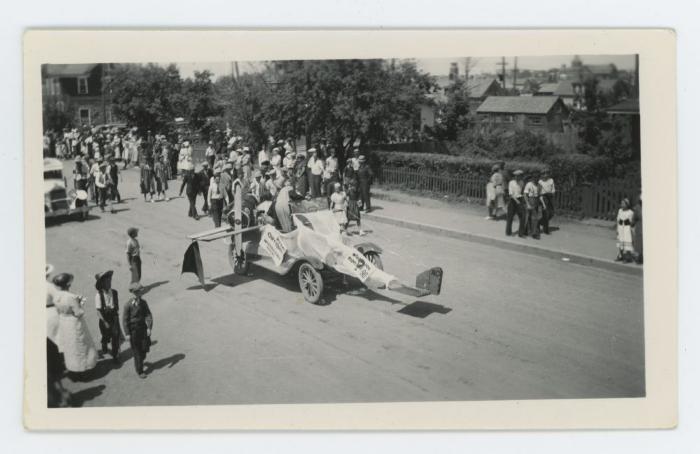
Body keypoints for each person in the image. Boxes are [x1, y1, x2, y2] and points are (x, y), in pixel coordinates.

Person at [52, 273, 98, 375]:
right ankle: (83, 368)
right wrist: (81, 303)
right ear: (68, 285)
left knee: (70, 346)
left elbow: (58, 310)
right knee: (81, 345)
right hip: (74, 323)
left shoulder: (56, 296)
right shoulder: (71, 297)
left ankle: (72, 367)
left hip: (64, 322)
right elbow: (78, 313)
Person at [122, 283, 153, 379]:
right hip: (133, 331)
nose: (142, 293)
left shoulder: (143, 303)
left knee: (144, 349)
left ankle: (141, 361)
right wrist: (127, 333)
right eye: (140, 291)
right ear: (134, 292)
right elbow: (125, 320)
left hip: (143, 329)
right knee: (137, 352)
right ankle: (140, 370)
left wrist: (149, 327)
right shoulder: (128, 305)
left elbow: (148, 315)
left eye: (141, 291)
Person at [94, 270, 122, 363]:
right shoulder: (99, 295)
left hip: (113, 318)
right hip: (104, 319)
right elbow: (98, 311)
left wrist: (113, 308)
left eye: (110, 281)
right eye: (107, 282)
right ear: (102, 283)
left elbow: (117, 306)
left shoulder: (114, 292)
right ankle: (104, 343)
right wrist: (105, 322)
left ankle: (115, 356)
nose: (109, 283)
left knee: (115, 336)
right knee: (106, 335)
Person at [505, 169, 526, 238]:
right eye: (516, 176)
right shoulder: (511, 183)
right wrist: (517, 201)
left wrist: (522, 200)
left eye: (519, 176)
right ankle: (508, 232)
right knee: (510, 217)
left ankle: (521, 233)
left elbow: (522, 192)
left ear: (521, 176)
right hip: (513, 201)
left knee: (523, 217)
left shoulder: (522, 182)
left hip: (519, 200)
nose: (517, 177)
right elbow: (511, 194)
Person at [616, 198, 635, 263]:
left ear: (627, 205)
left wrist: (632, 231)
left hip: (627, 228)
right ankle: (620, 255)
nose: (622, 205)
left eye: (623, 204)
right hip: (621, 227)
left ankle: (628, 258)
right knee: (621, 241)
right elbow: (618, 220)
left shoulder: (631, 212)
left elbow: (632, 222)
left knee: (627, 242)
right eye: (621, 203)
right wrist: (617, 229)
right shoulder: (620, 211)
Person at [523, 175, 541, 239]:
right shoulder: (529, 184)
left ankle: (532, 233)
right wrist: (527, 204)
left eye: (537, 178)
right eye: (535, 178)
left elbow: (539, 195)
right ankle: (528, 232)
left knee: (534, 217)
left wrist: (540, 204)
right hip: (530, 200)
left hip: (536, 201)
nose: (536, 179)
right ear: (533, 178)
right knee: (528, 217)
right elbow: (525, 194)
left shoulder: (539, 185)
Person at [538, 169, 555, 234]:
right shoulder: (540, 182)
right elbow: (539, 193)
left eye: (546, 173)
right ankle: (546, 230)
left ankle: (539, 222)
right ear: (541, 175)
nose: (545, 175)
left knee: (552, 213)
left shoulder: (551, 180)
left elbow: (553, 189)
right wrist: (542, 201)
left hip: (550, 197)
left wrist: (552, 194)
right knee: (546, 214)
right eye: (543, 174)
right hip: (543, 198)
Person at [632, 193, 643, 264]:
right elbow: (634, 218)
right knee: (639, 243)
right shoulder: (638, 207)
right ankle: (640, 257)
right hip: (639, 227)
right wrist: (632, 224)